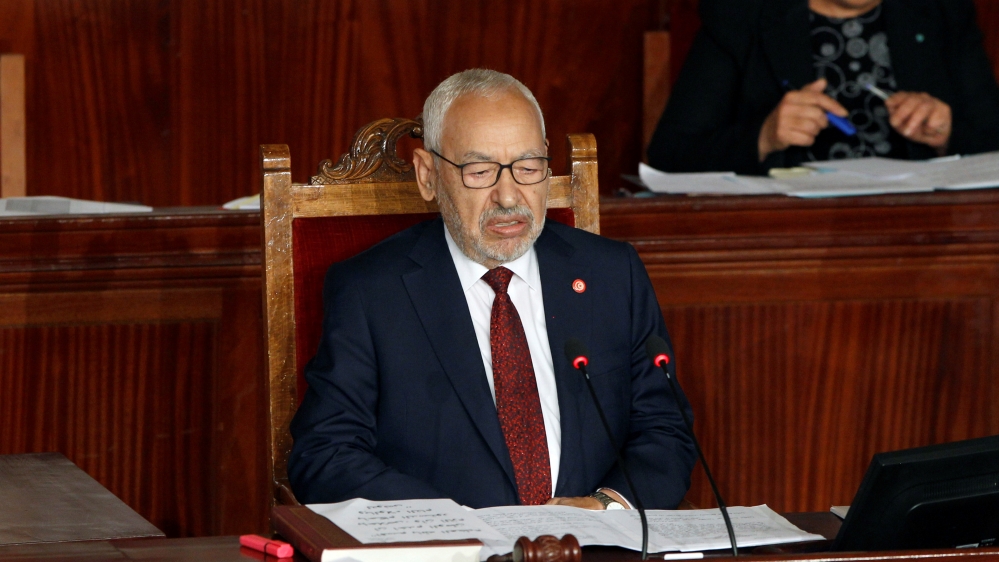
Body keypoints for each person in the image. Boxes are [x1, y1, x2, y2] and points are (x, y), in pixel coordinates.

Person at [288, 69, 696, 510]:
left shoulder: (612, 274)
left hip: (592, 546)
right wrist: (455, 526)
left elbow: (665, 429)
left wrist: (606, 507)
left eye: (528, 167)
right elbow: (325, 454)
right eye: (480, 171)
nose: (508, 196)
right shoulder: (371, 293)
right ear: (427, 175)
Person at [647, 0, 999, 175]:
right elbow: (672, 152)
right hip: (786, 237)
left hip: (918, 233)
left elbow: (991, 138)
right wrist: (764, 136)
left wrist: (947, 135)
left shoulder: (940, 10)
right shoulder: (741, 14)